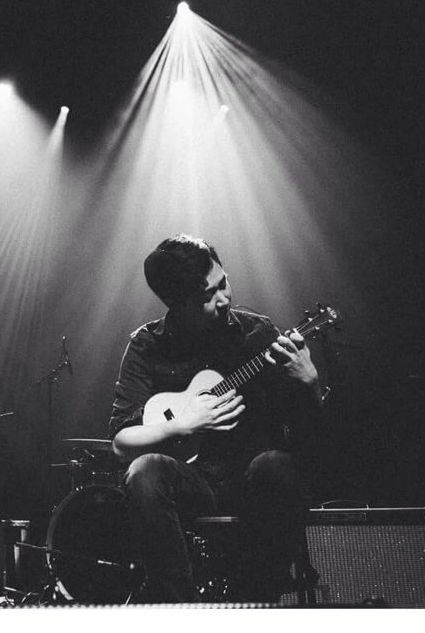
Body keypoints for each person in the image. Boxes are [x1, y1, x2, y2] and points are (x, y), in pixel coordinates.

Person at [109, 235, 324, 603]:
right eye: (208, 295)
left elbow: (310, 437)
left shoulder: (258, 333)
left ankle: (258, 600)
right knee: (144, 472)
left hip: (254, 477)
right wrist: (181, 425)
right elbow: (120, 441)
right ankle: (182, 609)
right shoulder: (147, 345)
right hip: (194, 483)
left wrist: (310, 384)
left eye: (223, 283)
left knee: (274, 466)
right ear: (178, 303)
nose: (223, 298)